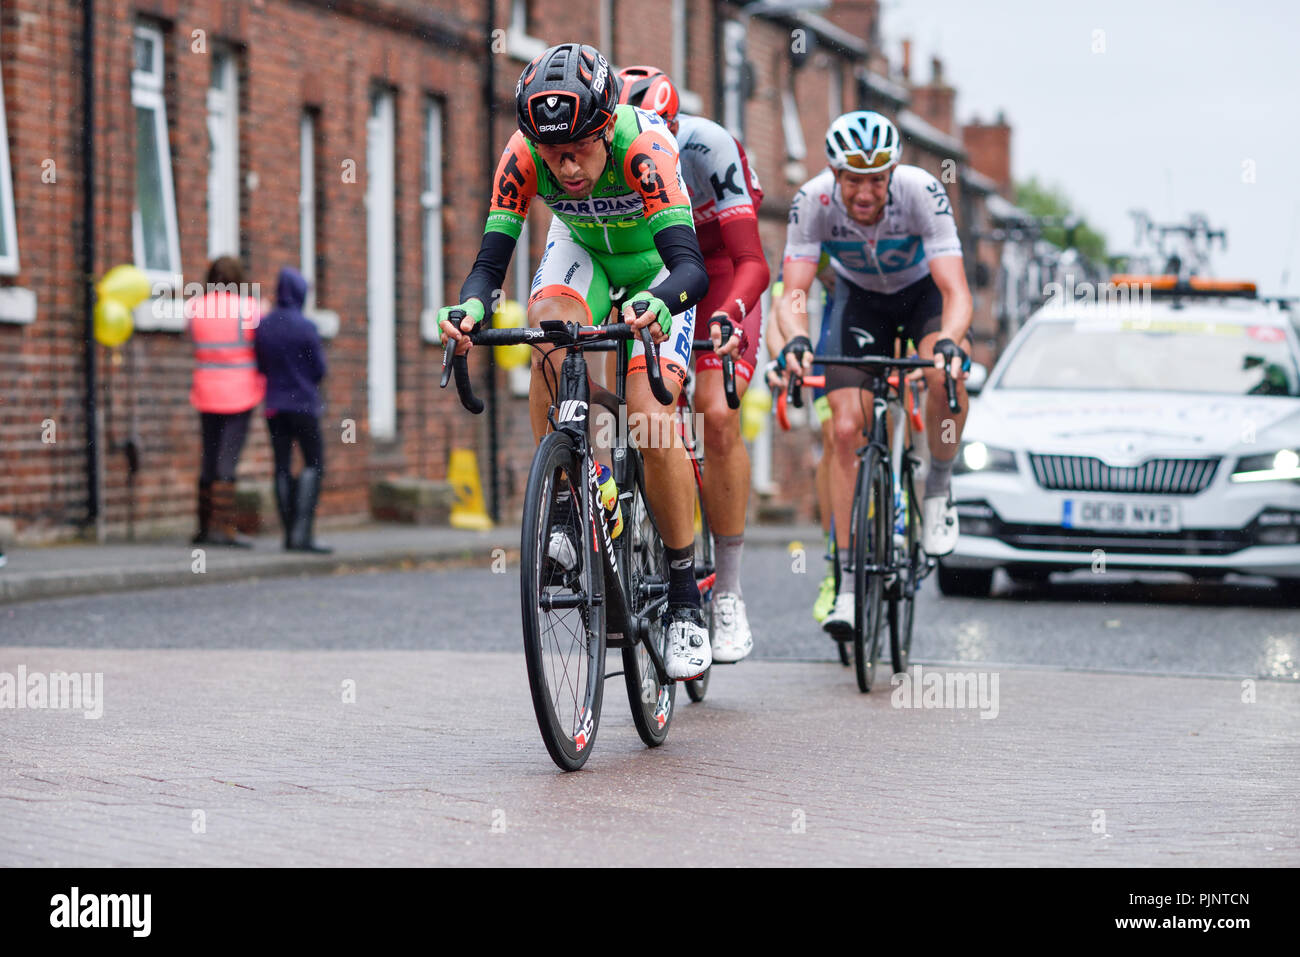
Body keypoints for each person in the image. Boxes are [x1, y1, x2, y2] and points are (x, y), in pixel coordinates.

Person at [439, 43, 713, 680]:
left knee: (649, 418)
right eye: (551, 150)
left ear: (606, 127)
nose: (565, 167)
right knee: (548, 333)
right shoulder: (522, 154)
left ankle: (683, 599)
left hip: (657, 268)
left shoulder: (645, 149)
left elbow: (692, 269)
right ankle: (569, 497)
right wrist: (470, 309)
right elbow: (488, 265)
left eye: (579, 148)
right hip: (582, 252)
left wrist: (659, 303)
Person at [778, 111, 973, 639]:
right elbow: (794, 290)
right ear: (834, 175)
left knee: (945, 376)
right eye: (853, 180)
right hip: (858, 301)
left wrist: (950, 340)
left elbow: (955, 290)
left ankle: (938, 489)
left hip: (922, 296)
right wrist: (796, 338)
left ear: (892, 174)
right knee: (845, 430)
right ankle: (846, 583)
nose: (865, 193)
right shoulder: (812, 201)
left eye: (877, 180)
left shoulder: (922, 192)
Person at [616, 65, 770, 664]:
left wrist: (730, 315)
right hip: (653, 265)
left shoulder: (711, 147)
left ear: (678, 127)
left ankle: (727, 592)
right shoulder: (616, 151)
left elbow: (752, 260)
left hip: (722, 270)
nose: (651, 141)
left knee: (716, 412)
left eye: (663, 130)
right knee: (628, 402)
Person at [188, 256, 264, 547]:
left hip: (206, 391)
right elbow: (260, 343)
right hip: (239, 393)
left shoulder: (196, 307)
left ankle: (204, 526)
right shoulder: (249, 308)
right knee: (227, 460)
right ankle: (223, 528)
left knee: (209, 456)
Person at [253, 267, 330, 553]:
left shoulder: (264, 326)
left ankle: (288, 535)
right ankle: (302, 535)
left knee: (281, 466)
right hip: (304, 406)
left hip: (274, 406)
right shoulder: (306, 327)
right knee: (314, 463)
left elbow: (261, 365)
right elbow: (319, 369)